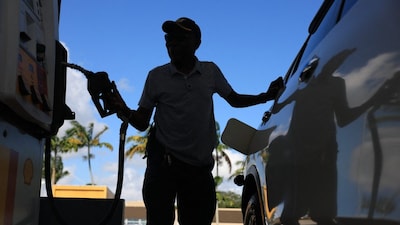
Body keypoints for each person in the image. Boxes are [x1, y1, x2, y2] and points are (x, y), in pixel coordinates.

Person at [111, 17, 282, 225]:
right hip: (163, 166)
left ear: (197, 43)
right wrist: (122, 109)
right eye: (169, 39)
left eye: (180, 38)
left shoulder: (210, 72)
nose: (172, 44)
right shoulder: (156, 76)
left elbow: (234, 99)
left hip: (199, 168)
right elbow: (142, 122)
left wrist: (266, 96)